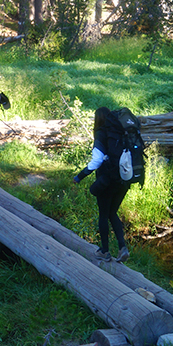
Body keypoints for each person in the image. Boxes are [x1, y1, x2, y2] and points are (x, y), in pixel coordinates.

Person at [73, 107, 130, 263]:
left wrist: (79, 176)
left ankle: (105, 251)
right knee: (113, 213)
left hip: (107, 181)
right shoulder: (120, 132)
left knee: (104, 215)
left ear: (97, 119)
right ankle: (122, 248)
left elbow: (96, 161)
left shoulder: (101, 133)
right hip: (123, 180)